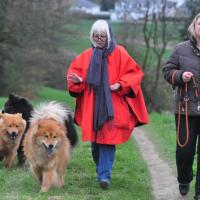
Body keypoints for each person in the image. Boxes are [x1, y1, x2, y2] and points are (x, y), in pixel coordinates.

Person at [66, 19, 149, 189]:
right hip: (91, 106)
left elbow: (135, 73)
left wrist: (121, 84)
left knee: (107, 141)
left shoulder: (120, 53)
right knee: (96, 144)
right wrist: (79, 80)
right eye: (96, 36)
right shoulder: (85, 56)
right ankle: (101, 171)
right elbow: (74, 76)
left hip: (113, 106)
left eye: (103, 36)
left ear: (109, 36)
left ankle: (105, 176)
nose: (99, 39)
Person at [163, 13, 200, 200]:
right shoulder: (181, 49)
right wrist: (179, 76)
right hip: (186, 109)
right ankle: (184, 179)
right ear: (194, 27)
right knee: (185, 151)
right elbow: (167, 70)